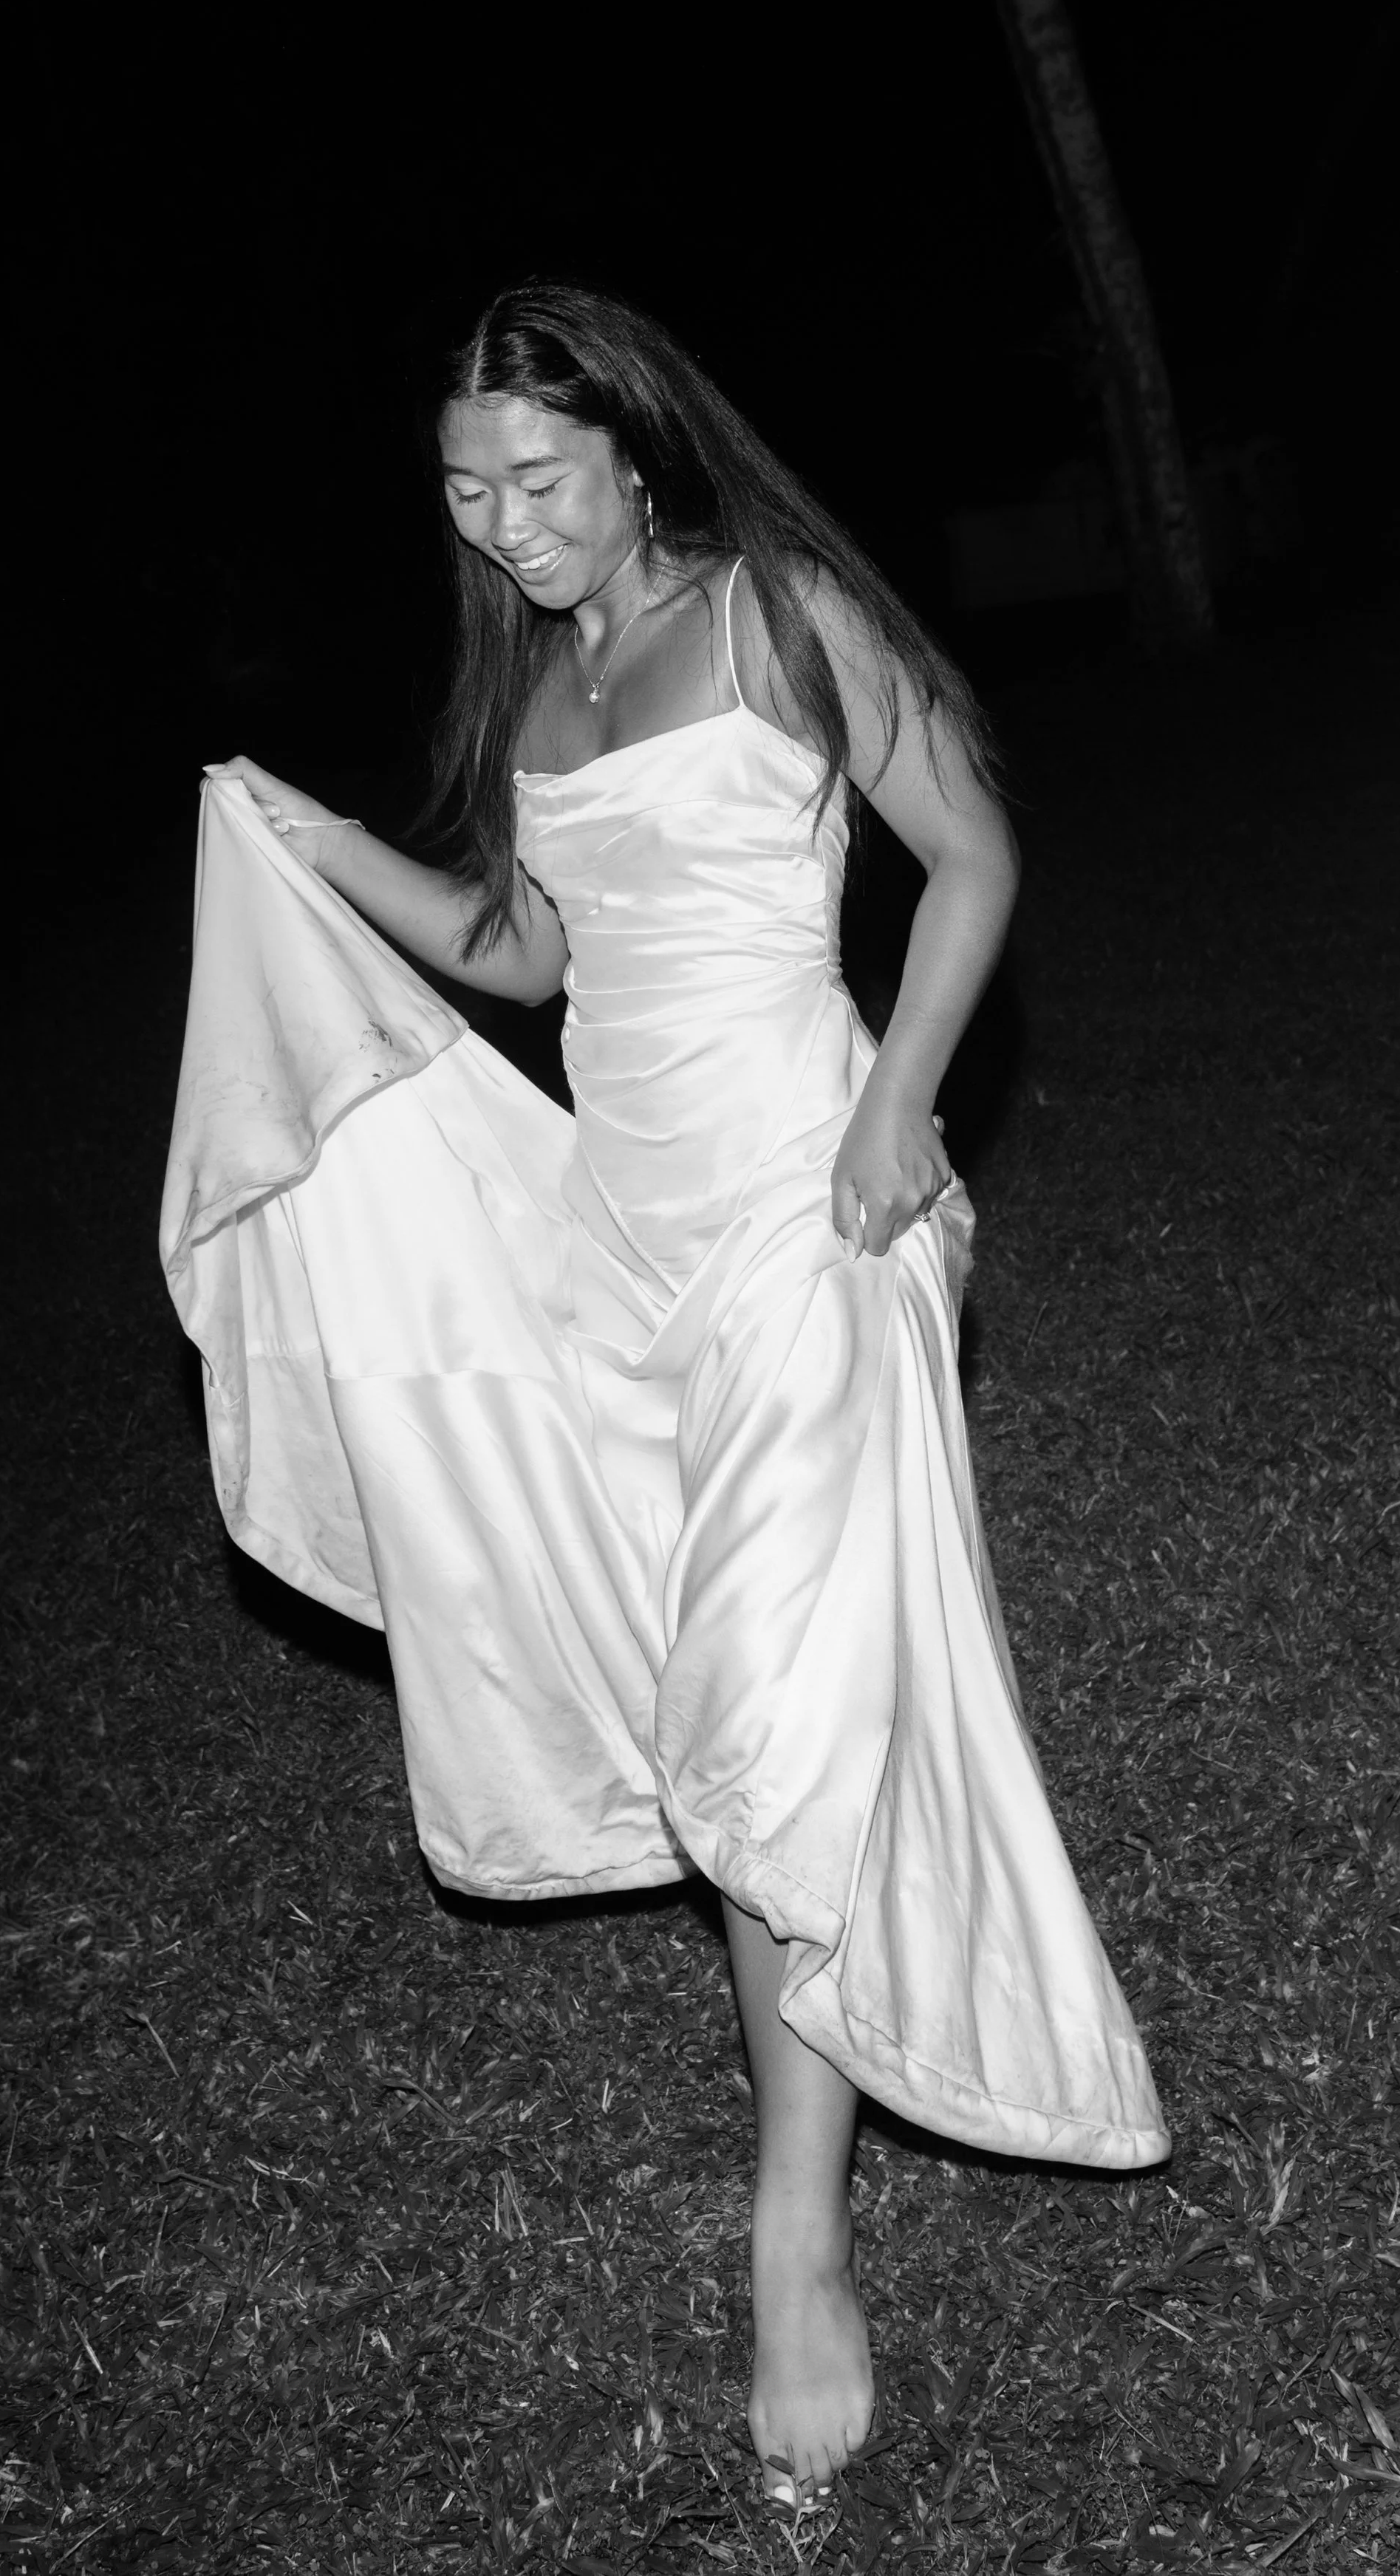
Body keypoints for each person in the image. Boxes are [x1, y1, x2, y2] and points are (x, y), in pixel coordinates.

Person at [161, 281, 1167, 2515]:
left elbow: (976, 853)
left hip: (817, 1207)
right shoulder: (539, 678)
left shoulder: (787, 612)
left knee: (775, 1694)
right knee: (723, 1669)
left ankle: (793, 2233)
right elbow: (533, 958)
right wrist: (320, 848)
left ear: (634, 450)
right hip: (618, 1235)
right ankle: (810, 2065)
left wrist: (905, 1104)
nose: (501, 523)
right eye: (462, 491)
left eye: (534, 478)